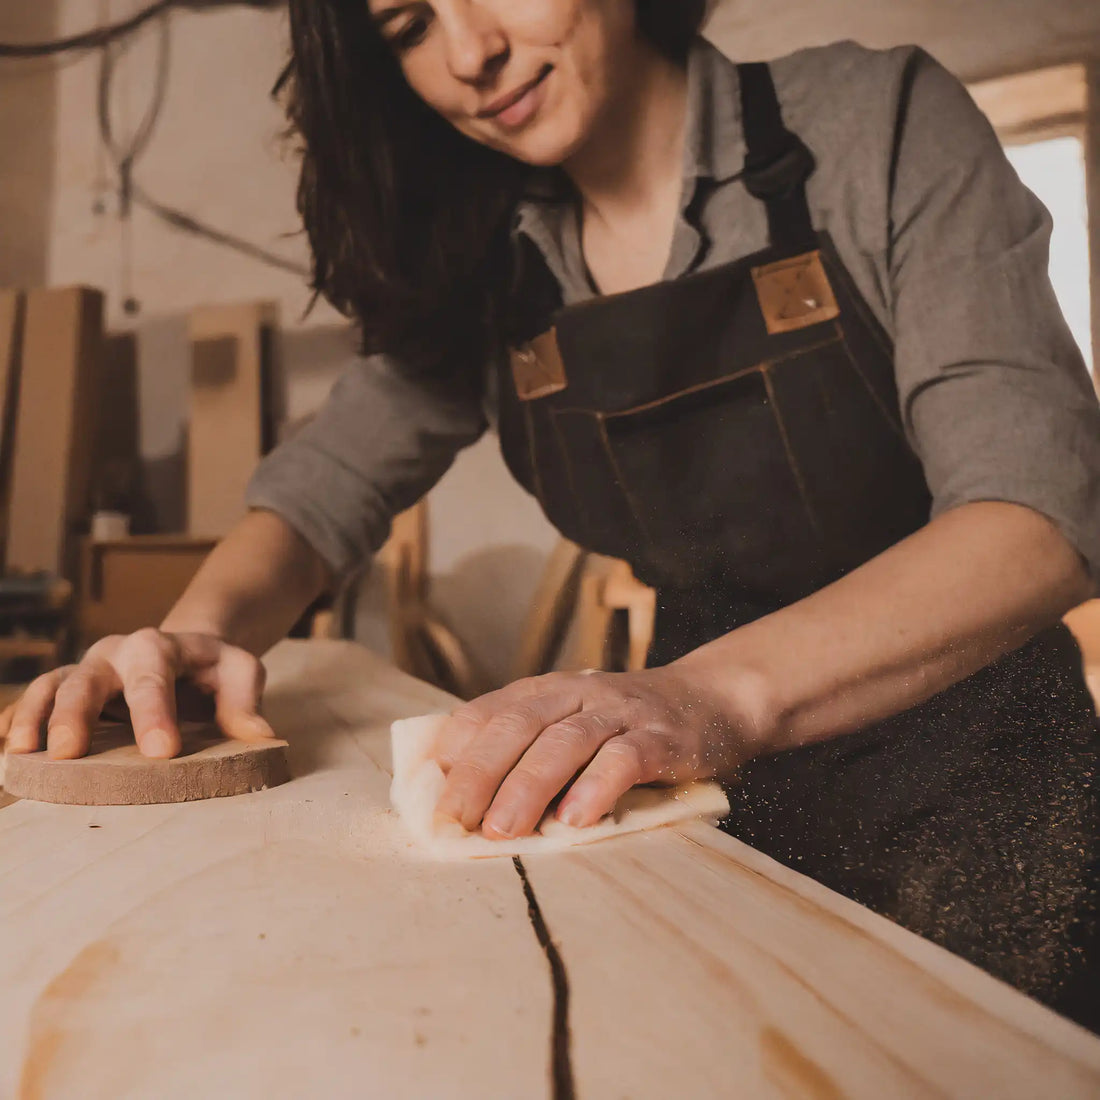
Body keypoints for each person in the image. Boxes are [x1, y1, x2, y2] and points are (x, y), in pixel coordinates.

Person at [5, 0, 1100, 1029]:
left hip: (980, 783)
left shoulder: (871, 123)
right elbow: (318, 491)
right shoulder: (486, 262)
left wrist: (705, 692)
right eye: (406, 24)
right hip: (689, 793)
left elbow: (1038, 513)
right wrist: (198, 633)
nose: (466, 52)